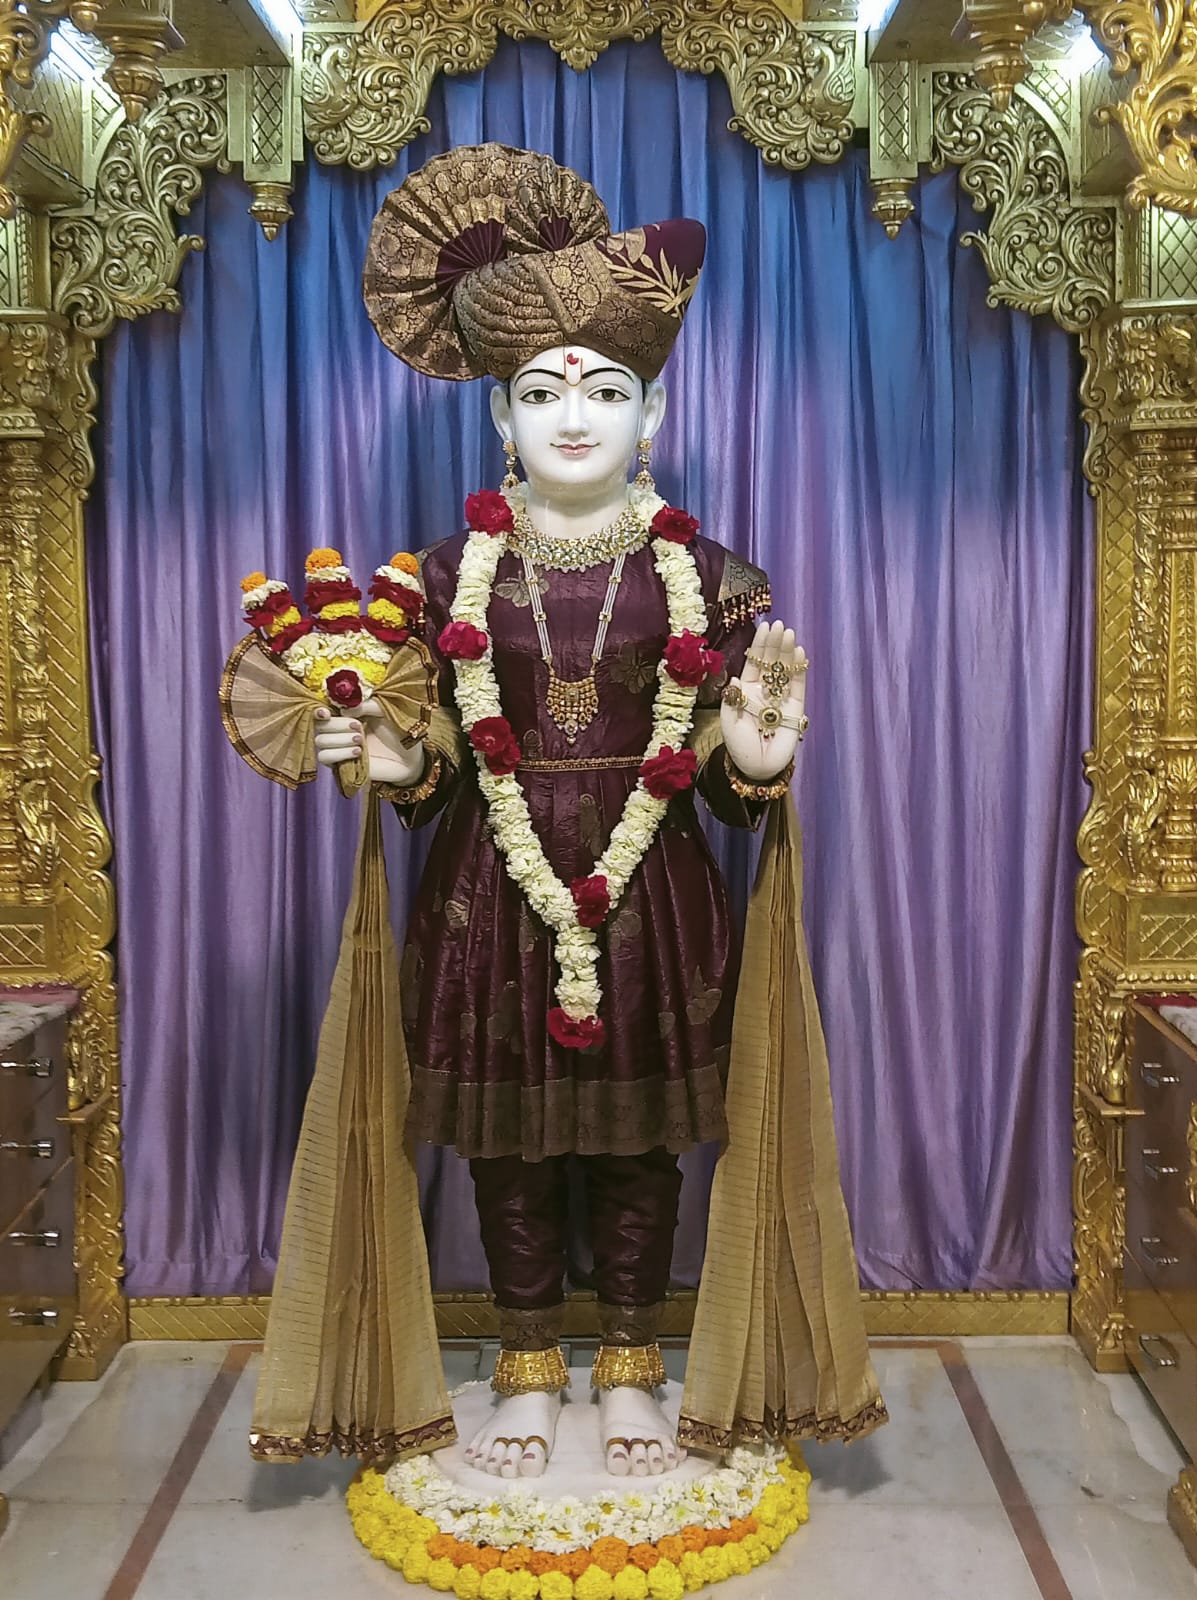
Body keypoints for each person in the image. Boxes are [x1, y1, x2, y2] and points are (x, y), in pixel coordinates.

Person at [251, 143, 884, 1481]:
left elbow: (719, 766)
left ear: (653, 414)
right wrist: (397, 764)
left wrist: (754, 759)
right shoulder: (441, 578)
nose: (574, 415)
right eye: (542, 392)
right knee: (516, 1146)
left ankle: (635, 1366)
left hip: (654, 894)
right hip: (494, 889)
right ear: (501, 419)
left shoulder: (708, 575)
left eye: (605, 389)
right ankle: (531, 1369)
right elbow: (432, 755)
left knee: (642, 1146)